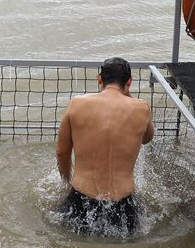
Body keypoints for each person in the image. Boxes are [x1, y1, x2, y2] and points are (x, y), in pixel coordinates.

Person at [55, 57, 156, 236]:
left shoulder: (76, 104)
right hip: (124, 205)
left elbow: (62, 151)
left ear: (99, 79)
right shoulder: (142, 109)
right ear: (129, 81)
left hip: (81, 200)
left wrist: (65, 182)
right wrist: (128, 96)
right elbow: (146, 138)